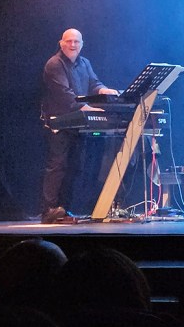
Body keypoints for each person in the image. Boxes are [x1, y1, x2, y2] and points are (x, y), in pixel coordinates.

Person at [40, 29, 119, 224]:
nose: (73, 45)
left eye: (76, 41)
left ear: (82, 44)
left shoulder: (85, 63)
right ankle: (49, 209)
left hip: (77, 123)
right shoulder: (54, 64)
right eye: (69, 41)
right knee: (57, 166)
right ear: (61, 43)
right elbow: (64, 94)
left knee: (75, 167)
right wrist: (87, 108)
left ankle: (63, 209)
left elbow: (94, 83)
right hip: (59, 122)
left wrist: (103, 90)